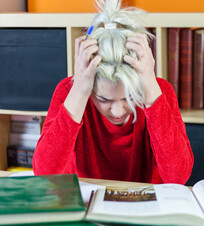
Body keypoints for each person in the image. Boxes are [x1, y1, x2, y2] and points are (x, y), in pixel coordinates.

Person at [33, 0, 194, 184]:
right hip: (86, 206)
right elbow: (44, 173)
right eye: (103, 99)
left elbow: (178, 177)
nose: (117, 112)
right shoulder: (70, 92)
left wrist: (150, 88)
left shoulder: (159, 91)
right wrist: (79, 90)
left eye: (130, 97)